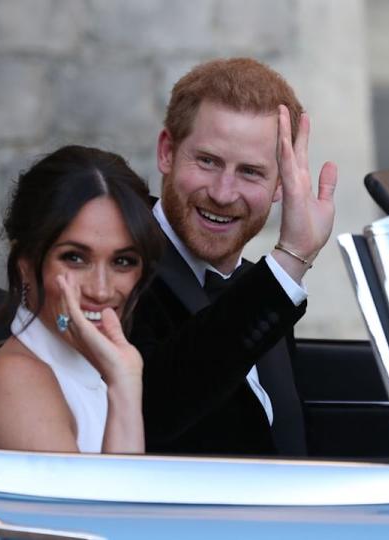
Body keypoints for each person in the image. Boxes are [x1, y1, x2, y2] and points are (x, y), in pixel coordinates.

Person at [130, 57, 339, 456]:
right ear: (167, 153)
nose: (224, 193)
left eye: (250, 172)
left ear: (281, 185)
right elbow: (155, 411)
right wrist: (292, 258)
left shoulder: (257, 286)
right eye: (208, 161)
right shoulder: (119, 267)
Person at [0, 145, 163, 454]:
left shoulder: (91, 369)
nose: (100, 290)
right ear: (26, 265)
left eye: (122, 262)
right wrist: (124, 386)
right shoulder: (15, 383)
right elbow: (109, 504)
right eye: (75, 258)